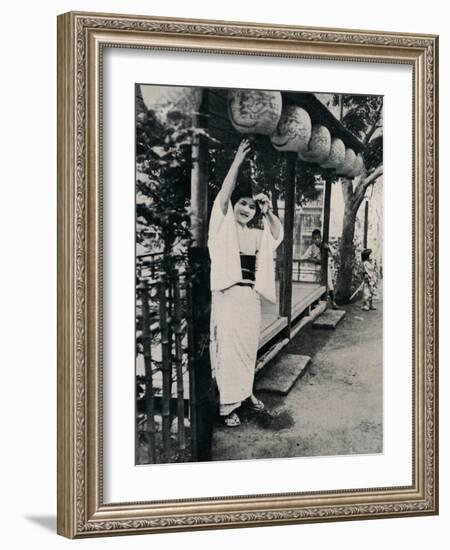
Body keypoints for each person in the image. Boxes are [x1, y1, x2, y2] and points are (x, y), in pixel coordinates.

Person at [208, 139, 283, 427]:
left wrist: (267, 210)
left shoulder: (255, 234)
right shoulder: (222, 228)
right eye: (243, 204)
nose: (246, 210)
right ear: (234, 205)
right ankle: (228, 407)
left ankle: (245, 393)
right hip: (228, 296)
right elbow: (222, 198)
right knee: (228, 349)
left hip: (249, 298)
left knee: (248, 348)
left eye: (251, 207)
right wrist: (237, 162)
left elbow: (277, 234)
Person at [300, 229, 338, 309]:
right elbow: (304, 257)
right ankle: (315, 302)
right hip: (318, 268)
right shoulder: (312, 248)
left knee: (330, 284)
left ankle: (333, 302)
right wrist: (314, 260)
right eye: (315, 238)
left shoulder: (325, 245)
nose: (317, 240)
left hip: (326, 267)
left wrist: (328, 248)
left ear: (320, 238)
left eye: (318, 238)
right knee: (317, 284)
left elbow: (334, 254)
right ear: (312, 239)